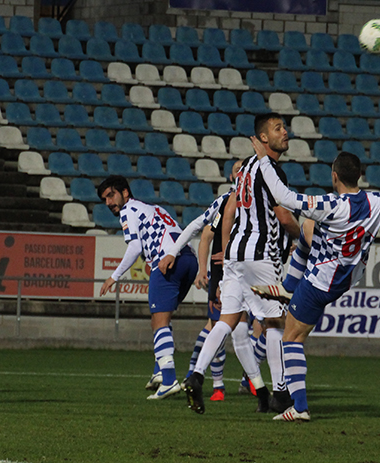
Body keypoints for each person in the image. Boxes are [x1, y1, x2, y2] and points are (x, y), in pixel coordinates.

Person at [250, 149, 380, 422]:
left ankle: (300, 407)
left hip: (321, 281)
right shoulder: (379, 201)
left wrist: (262, 160)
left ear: (334, 176)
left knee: (291, 339)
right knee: (307, 227)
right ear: (360, 176)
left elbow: (283, 197)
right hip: (349, 276)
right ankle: (288, 286)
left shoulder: (331, 204)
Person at [162, 113, 300, 415]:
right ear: (263, 138)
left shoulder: (245, 170)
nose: (285, 132)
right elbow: (284, 215)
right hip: (260, 256)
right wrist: (299, 236)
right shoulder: (270, 169)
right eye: (278, 129)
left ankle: (197, 375)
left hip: (235, 256)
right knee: (275, 321)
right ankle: (279, 392)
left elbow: (229, 211)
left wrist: (227, 247)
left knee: (227, 320)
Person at [97, 175, 199, 400]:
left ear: (125, 193)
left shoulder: (128, 211)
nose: (108, 203)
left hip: (166, 262)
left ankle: (170, 380)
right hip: (189, 260)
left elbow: (135, 247)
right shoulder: (151, 208)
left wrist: (114, 276)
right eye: (104, 199)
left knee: (160, 320)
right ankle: (159, 372)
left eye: (111, 195)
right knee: (160, 319)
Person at [167, 161, 259, 403]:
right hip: (223, 273)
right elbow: (204, 232)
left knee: (251, 327)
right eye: (238, 169)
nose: (241, 172)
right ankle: (217, 383)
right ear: (232, 175)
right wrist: (200, 268)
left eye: (245, 169)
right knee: (221, 324)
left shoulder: (259, 200)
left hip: (252, 271)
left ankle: (253, 382)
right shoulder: (225, 202)